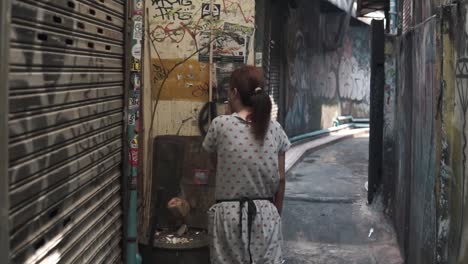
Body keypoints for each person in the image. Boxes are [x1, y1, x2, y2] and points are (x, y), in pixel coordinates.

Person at [203, 65, 291, 264]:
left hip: (228, 216)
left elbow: (216, 165)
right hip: (266, 213)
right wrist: (275, 212)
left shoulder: (220, 125)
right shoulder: (275, 128)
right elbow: (281, 178)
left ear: (234, 93)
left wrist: (227, 113)